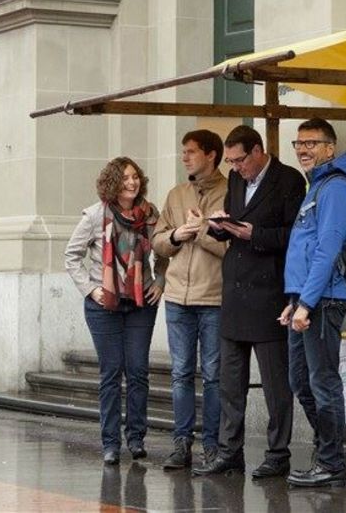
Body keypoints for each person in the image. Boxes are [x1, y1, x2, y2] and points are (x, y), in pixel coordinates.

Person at [193, 125, 306, 478]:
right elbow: (232, 218)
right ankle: (229, 451)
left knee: (276, 384)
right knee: (230, 382)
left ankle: (278, 453)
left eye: (240, 160)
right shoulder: (236, 180)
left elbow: (296, 234)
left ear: (258, 151)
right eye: (231, 162)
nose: (236, 167)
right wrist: (217, 226)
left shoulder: (288, 180)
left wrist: (256, 234)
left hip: (269, 291)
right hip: (235, 290)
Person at [65, 157, 167, 465]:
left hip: (140, 302)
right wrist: (90, 289)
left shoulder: (149, 213)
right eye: (124, 178)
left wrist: (160, 279)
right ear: (112, 182)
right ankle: (110, 443)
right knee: (111, 373)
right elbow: (72, 256)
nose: (132, 182)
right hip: (103, 305)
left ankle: (136, 439)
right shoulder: (95, 216)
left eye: (135, 176)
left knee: (137, 371)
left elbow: (162, 249)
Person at [278, 118, 346, 488]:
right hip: (307, 297)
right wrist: (294, 299)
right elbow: (306, 248)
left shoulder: (337, 188)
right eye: (298, 143)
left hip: (325, 299)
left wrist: (307, 303)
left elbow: (327, 250)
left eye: (311, 143)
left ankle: (331, 462)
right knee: (300, 380)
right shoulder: (318, 186)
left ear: (330, 148)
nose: (303, 150)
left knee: (323, 381)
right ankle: (327, 448)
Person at [151, 130, 228, 470]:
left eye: (191, 151)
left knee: (213, 375)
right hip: (177, 298)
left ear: (211, 155)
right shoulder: (177, 194)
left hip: (214, 297)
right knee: (180, 373)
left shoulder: (232, 192)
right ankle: (181, 443)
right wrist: (175, 235)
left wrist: (201, 232)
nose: (184, 157)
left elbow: (233, 248)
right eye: (183, 151)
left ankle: (212, 445)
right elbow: (157, 242)